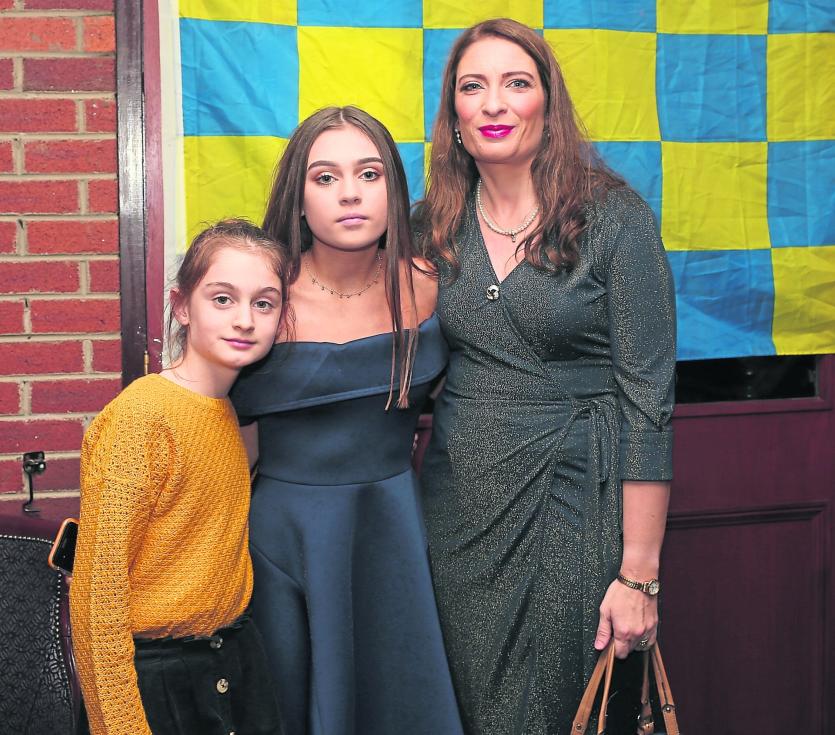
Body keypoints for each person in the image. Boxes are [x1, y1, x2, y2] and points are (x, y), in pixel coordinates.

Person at [414, 18, 677, 734]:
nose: (494, 102)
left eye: (515, 83)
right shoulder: (431, 225)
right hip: (458, 513)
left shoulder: (613, 219)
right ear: (455, 114)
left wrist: (637, 575)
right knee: (464, 707)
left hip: (577, 501)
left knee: (561, 707)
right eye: (474, 86)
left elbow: (647, 403)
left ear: (546, 103)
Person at [229, 106, 463, 735]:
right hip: (283, 537)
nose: (351, 194)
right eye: (325, 178)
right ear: (297, 197)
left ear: (394, 189)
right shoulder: (262, 295)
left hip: (392, 528)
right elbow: (215, 427)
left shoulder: (431, 286)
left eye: (369, 174)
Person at [69, 219, 288, 735]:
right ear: (182, 305)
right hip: (155, 679)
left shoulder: (230, 415)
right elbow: (98, 598)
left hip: (233, 661)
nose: (244, 320)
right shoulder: (141, 418)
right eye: (222, 299)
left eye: (264, 302)